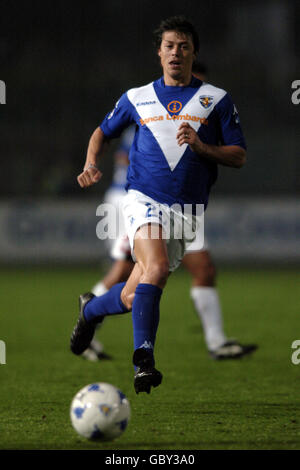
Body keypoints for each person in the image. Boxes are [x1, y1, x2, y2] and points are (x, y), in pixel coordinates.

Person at [70, 16, 249, 394]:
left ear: (193, 52)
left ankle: (90, 310)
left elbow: (238, 156)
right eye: (169, 46)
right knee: (157, 267)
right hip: (141, 200)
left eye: (183, 46)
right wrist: (90, 163)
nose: (175, 52)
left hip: (187, 214)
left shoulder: (216, 100)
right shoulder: (136, 97)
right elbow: (101, 132)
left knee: (136, 291)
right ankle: (144, 361)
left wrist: (202, 146)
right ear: (159, 53)